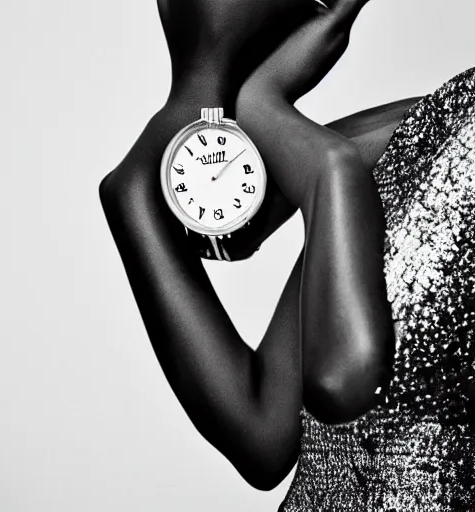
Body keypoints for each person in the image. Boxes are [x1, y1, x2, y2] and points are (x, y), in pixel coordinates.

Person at [99, 0, 475, 509]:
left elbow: (343, 380)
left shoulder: (360, 157)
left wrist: (301, 141)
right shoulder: (437, 116)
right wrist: (203, 76)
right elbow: (261, 431)